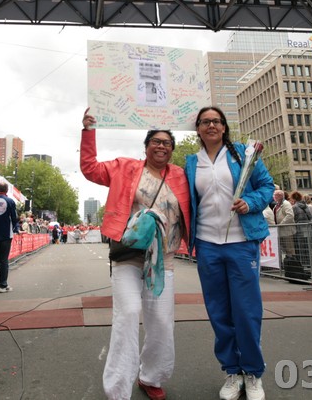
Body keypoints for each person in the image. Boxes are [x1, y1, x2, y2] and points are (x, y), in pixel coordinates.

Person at [80, 109, 190, 400]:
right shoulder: (125, 168)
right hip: (128, 255)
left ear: (172, 149)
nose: (161, 146)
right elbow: (90, 168)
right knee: (128, 313)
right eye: (156, 141)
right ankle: (117, 390)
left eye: (167, 143)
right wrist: (89, 131)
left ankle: (151, 377)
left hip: (164, 259)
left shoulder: (181, 175)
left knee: (162, 322)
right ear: (146, 146)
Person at [184, 107, 274, 400]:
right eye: (205, 122)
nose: (211, 125)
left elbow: (267, 187)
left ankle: (253, 372)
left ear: (224, 127)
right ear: (198, 129)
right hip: (207, 244)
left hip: (241, 242)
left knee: (246, 311)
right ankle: (232, 371)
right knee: (219, 312)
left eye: (216, 121)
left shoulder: (244, 155)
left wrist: (250, 202)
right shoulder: (191, 163)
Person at [271, 190, 295, 257]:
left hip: (287, 231)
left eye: (275, 195)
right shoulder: (277, 205)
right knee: (284, 248)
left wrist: (281, 224)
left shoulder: (286, 204)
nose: (273, 197)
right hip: (281, 230)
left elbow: (290, 215)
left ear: (280, 196)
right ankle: (287, 260)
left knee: (289, 248)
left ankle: (292, 260)